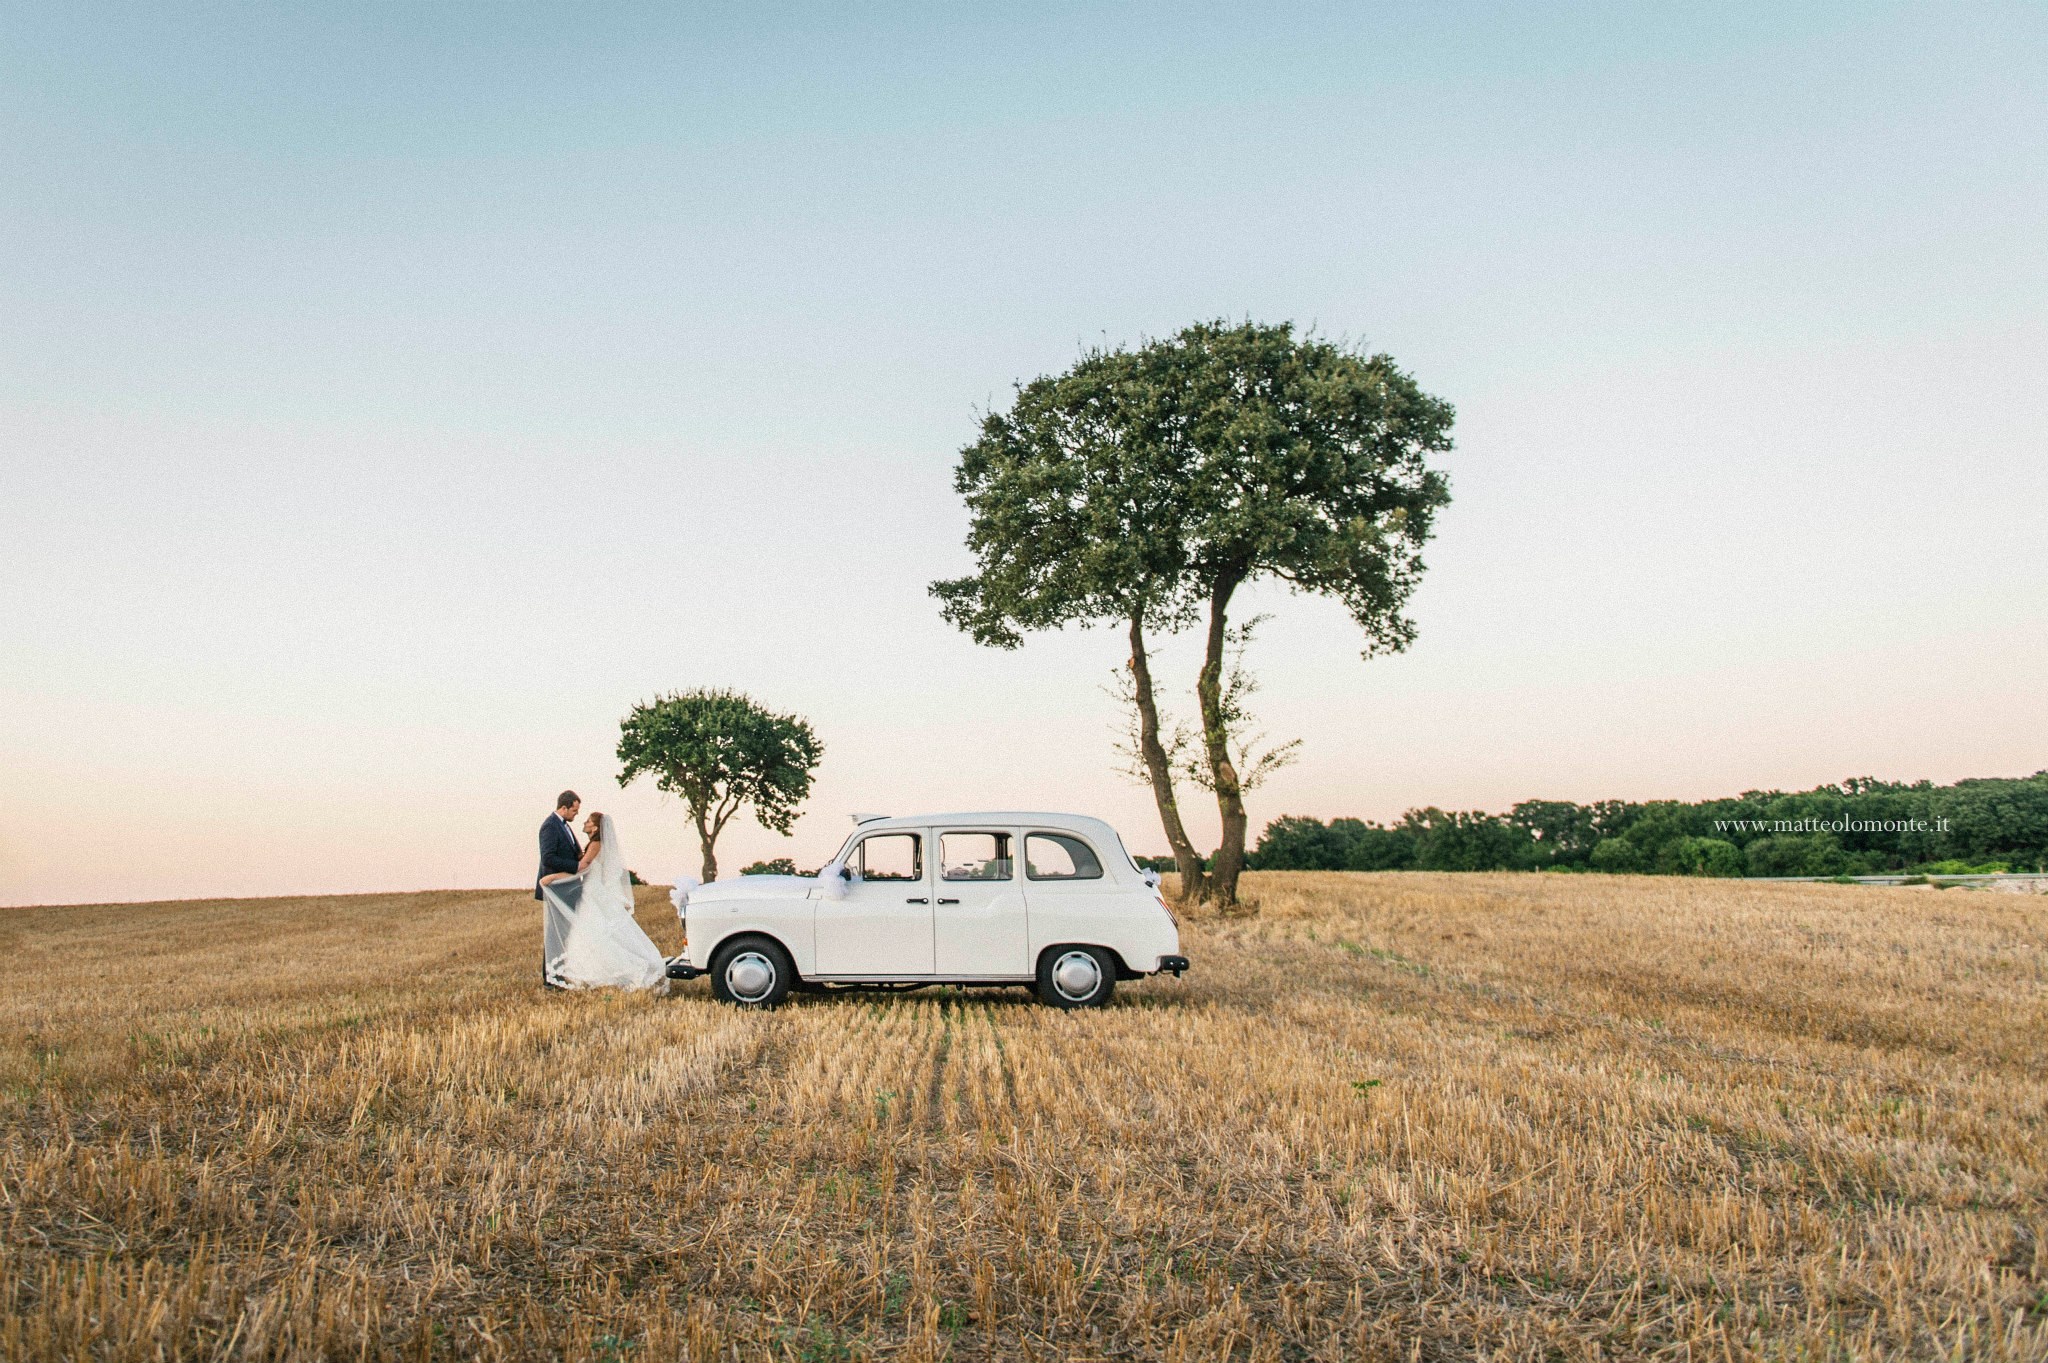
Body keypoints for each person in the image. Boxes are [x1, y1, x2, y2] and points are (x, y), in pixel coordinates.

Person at [539, 812, 668, 992]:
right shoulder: (596, 844)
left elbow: (581, 869)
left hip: (592, 892)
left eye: (588, 821)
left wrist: (552, 876)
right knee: (591, 932)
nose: (583, 821)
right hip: (591, 890)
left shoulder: (596, 844)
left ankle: (607, 972)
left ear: (596, 827)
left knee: (593, 933)